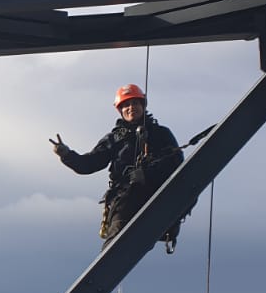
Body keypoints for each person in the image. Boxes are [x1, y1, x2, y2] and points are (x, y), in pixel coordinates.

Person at [51, 83, 186, 252]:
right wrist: (67, 154)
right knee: (116, 240)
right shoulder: (115, 139)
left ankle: (165, 226)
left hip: (156, 195)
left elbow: (176, 162)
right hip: (126, 199)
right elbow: (88, 164)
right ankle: (105, 266)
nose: (131, 108)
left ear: (143, 105)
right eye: (126, 105)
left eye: (135, 103)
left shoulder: (161, 134)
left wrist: (147, 174)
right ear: (120, 110)